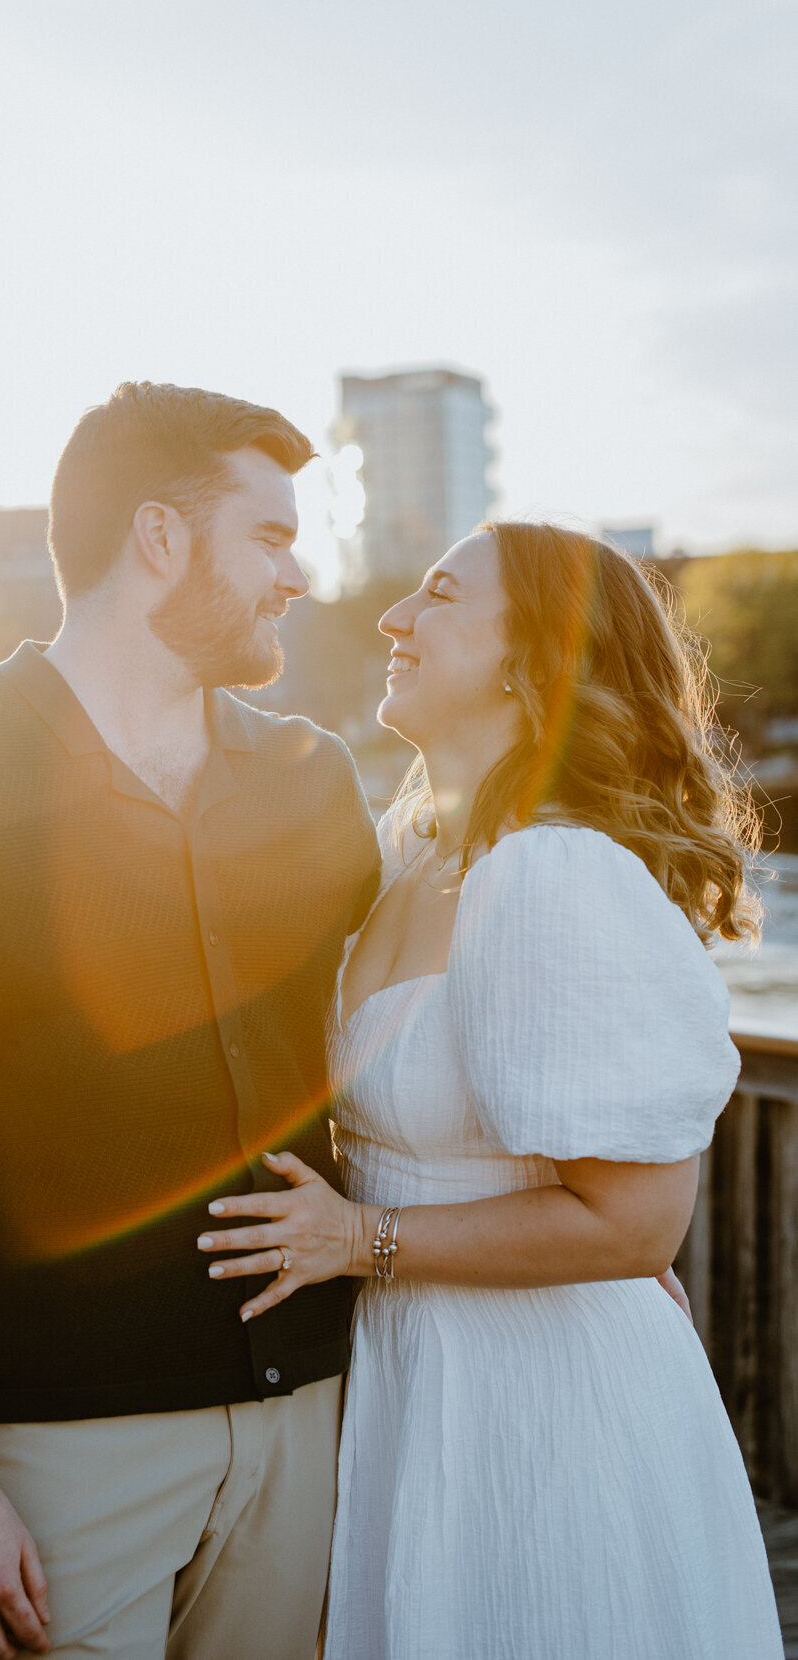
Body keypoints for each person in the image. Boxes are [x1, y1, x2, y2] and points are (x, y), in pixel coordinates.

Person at [0, 382, 381, 1660]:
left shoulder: (311, 777)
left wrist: (577, 1208)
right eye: (269, 537)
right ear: (158, 539)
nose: (297, 574)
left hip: (309, 1414)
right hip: (61, 1449)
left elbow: (395, 1032)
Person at [199, 521, 785, 1659]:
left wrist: (355, 1236)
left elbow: (634, 1220)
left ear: (529, 662)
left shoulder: (549, 870)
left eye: (435, 593)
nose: (389, 618)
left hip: (538, 1397)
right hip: (420, 1374)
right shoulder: (411, 849)